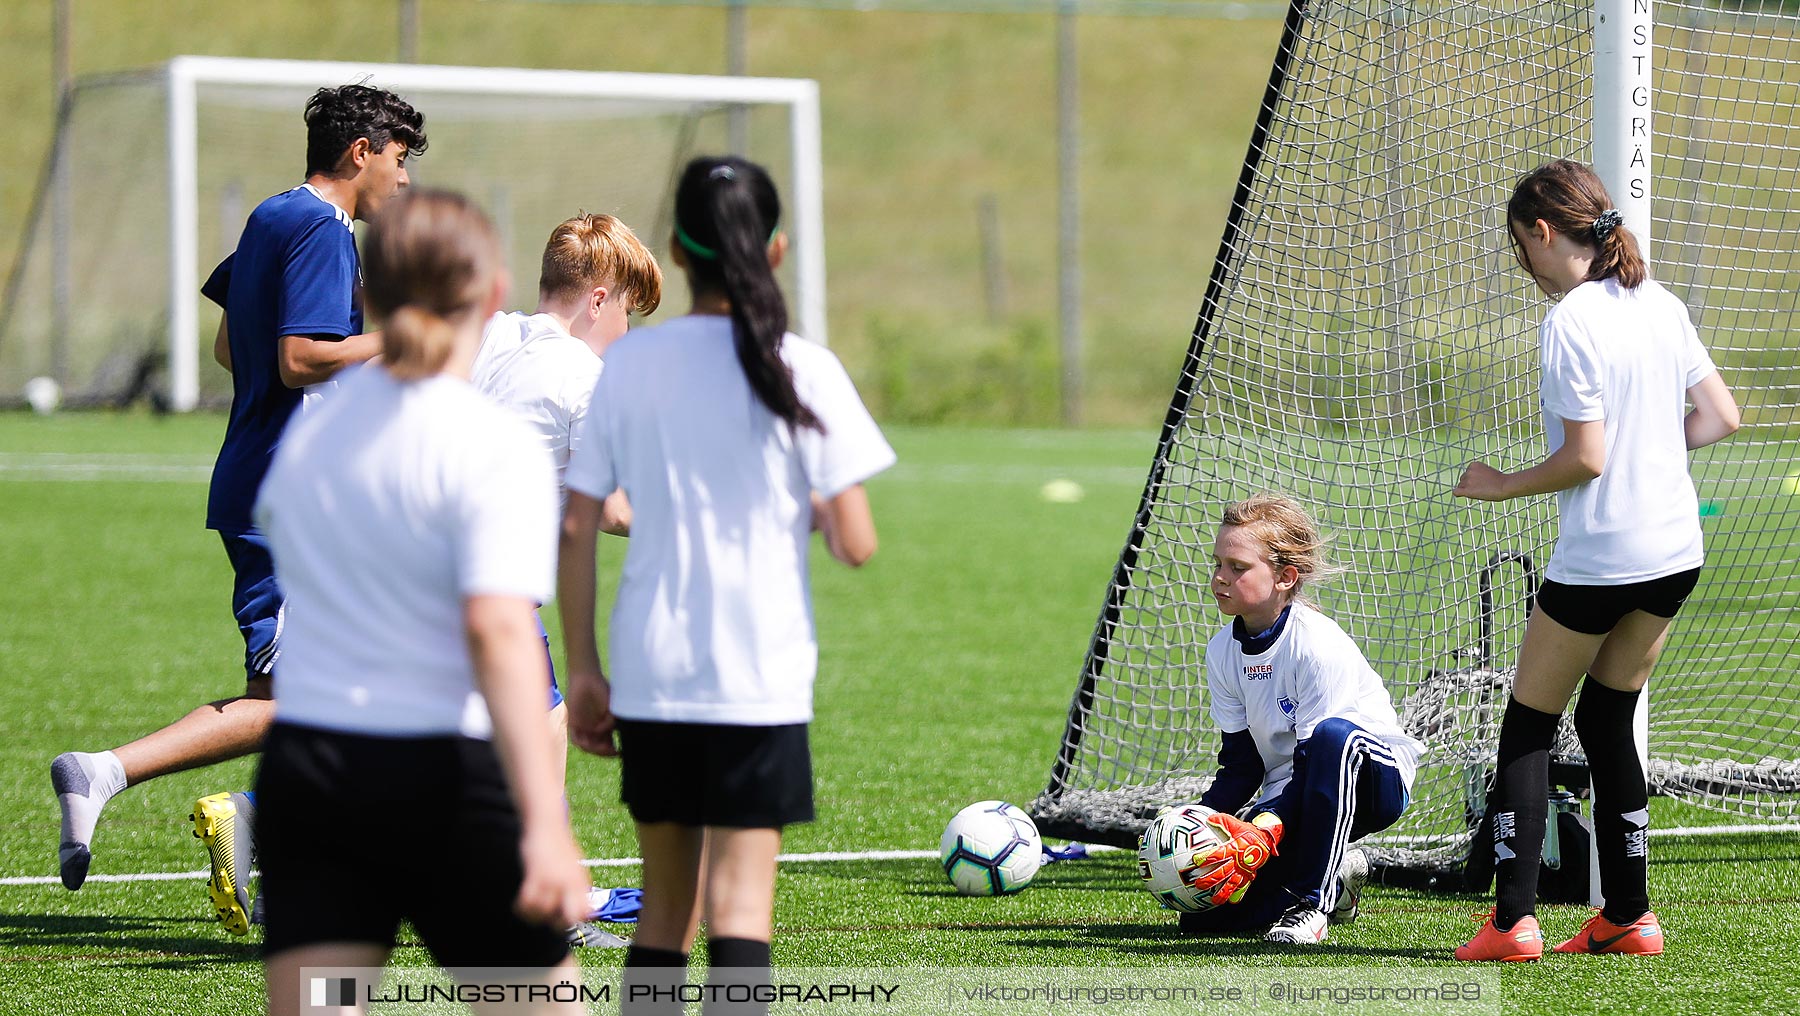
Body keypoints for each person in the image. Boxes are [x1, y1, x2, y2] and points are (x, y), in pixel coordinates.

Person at [51, 83, 427, 936]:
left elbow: (233, 343)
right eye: (399, 162)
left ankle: (270, 837)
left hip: (270, 482)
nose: (404, 183)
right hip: (289, 499)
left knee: (313, 693)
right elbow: (300, 356)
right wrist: (406, 340)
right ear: (362, 152)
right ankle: (110, 773)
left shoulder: (271, 214)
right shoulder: (324, 231)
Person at [558, 155, 894, 1014]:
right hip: (759, 670)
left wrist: (586, 670)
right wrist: (814, 500)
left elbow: (575, 523)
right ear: (775, 250)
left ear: (673, 250)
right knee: (741, 911)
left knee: (663, 913)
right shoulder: (804, 368)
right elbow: (857, 544)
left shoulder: (629, 367)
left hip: (651, 667)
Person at [252, 187, 590, 1015]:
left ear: (366, 294)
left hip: (311, 781)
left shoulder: (309, 437)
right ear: (493, 290)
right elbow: (499, 630)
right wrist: (545, 825)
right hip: (443, 784)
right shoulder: (488, 444)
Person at [1452, 160, 1740, 961]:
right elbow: (1722, 416)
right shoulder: (1661, 301)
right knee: (1607, 715)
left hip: (1603, 557)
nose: (1525, 268)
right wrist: (1651, 449)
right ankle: (1630, 915)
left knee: (1528, 722)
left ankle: (1512, 925)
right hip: (1675, 550)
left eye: (1522, 249)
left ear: (1545, 233)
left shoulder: (1571, 321)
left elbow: (1586, 458)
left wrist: (1502, 484)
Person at [1174, 494, 1424, 945]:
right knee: (1206, 922)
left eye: (1237, 567)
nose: (1218, 578)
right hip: (1296, 794)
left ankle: (1313, 905)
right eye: (1217, 563)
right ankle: (1341, 874)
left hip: (1371, 782)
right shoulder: (1221, 652)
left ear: (1286, 577)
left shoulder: (1315, 644)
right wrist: (1195, 824)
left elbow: (1319, 760)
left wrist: (1267, 824)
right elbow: (1242, 765)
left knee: (1332, 737)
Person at [470, 211, 663, 790]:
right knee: (546, 729)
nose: (627, 332)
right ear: (598, 301)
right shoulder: (586, 376)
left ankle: (253, 813)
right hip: (488, 590)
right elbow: (612, 510)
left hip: (410, 570)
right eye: (629, 312)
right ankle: (545, 882)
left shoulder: (494, 333)